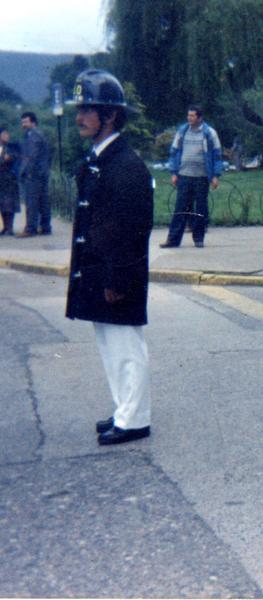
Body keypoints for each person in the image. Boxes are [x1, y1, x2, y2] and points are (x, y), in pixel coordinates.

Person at [65, 69, 154, 445]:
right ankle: (124, 409)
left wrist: (119, 279)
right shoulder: (101, 160)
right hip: (100, 273)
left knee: (126, 347)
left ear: (111, 116)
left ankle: (134, 419)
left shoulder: (126, 165)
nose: (80, 116)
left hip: (117, 275)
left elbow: (135, 232)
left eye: (89, 109)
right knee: (110, 345)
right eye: (80, 108)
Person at [160, 104, 222, 248]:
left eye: (192, 115)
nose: (189, 118)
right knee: (180, 207)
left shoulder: (209, 133)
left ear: (199, 117)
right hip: (184, 176)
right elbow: (174, 152)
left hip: (201, 177)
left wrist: (215, 175)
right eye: (188, 115)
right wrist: (174, 172)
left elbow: (217, 155)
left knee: (200, 208)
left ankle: (199, 238)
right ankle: (173, 240)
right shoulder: (182, 131)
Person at [17, 111, 51, 237]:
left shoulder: (33, 136)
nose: (23, 125)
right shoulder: (40, 135)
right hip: (42, 173)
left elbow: (31, 156)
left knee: (32, 202)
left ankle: (30, 229)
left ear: (33, 122)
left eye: (25, 122)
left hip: (34, 174)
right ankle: (46, 227)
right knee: (43, 201)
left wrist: (23, 172)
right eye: (22, 122)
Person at [0, 127, 20, 235]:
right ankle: (5, 226)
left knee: (10, 203)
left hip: (10, 178)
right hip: (1, 179)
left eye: (8, 134)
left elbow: (16, 156)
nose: (7, 136)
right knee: (2, 204)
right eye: (4, 134)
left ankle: (10, 227)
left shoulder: (11, 147)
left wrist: (9, 158)